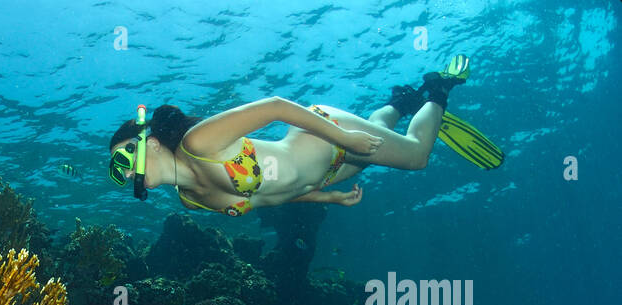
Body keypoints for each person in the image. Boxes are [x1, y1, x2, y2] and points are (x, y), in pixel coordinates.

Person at [108, 55, 495, 216]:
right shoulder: (192, 201)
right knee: (382, 131)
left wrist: (346, 141)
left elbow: (276, 106)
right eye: (116, 170)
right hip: (327, 174)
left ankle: (439, 88)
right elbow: (269, 196)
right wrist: (326, 196)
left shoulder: (199, 143)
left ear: (152, 141)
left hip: (327, 137)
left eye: (124, 155)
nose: (124, 171)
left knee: (416, 157)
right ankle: (401, 101)